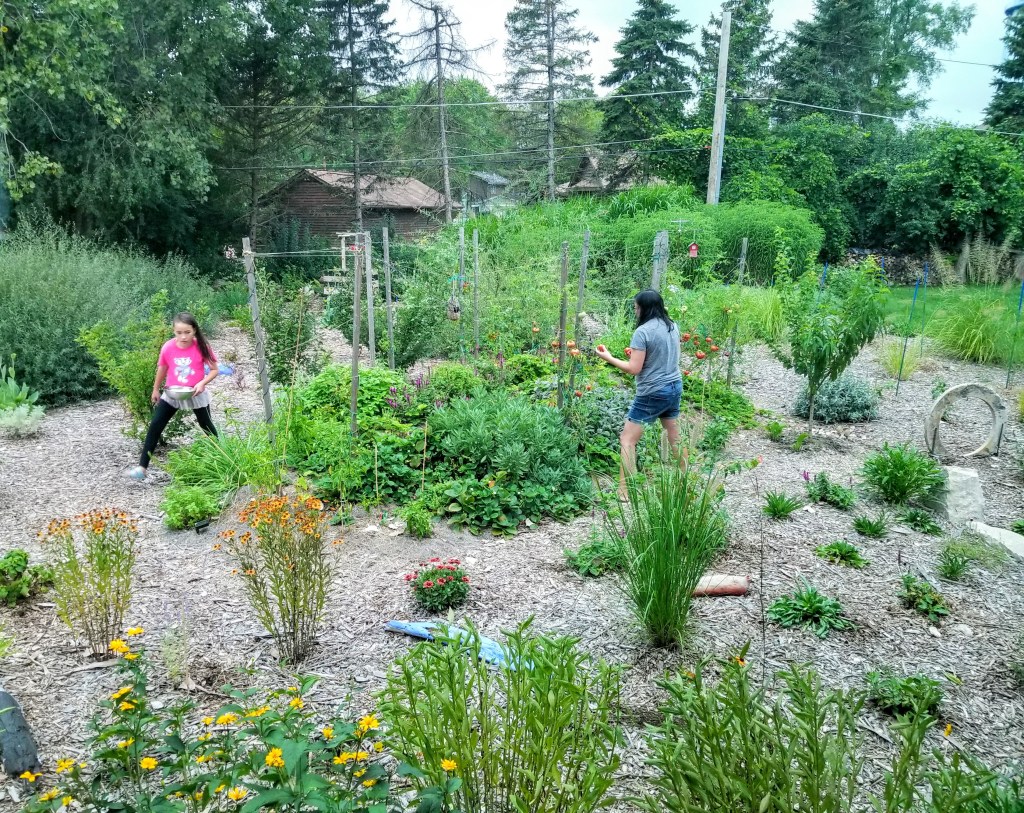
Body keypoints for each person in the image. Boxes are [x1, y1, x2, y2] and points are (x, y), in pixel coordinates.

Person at [595, 289, 682, 498]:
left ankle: (625, 491)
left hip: (652, 392)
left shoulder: (643, 332)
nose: (635, 311)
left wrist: (608, 357)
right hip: (674, 387)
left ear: (643, 308)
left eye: (635, 307)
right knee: (675, 438)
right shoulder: (672, 326)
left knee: (627, 439)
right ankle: (684, 482)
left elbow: (634, 368)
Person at [127, 313, 220, 481]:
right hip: (173, 392)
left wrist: (202, 383)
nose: (183, 336)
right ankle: (142, 467)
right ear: (174, 331)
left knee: (206, 425)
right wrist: (156, 389)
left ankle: (223, 458)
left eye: (187, 332)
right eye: (179, 332)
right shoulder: (168, 347)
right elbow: (162, 368)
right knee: (155, 425)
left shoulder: (202, 346)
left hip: (196, 391)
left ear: (194, 331)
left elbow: (214, 369)